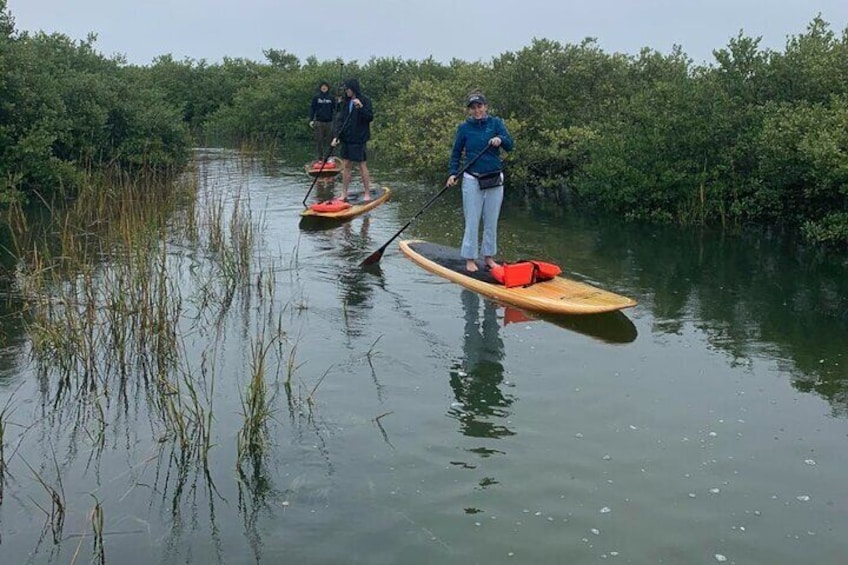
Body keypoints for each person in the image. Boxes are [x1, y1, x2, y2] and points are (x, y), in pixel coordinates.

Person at [447, 91, 514, 272]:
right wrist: (453, 173)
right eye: (473, 107)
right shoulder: (464, 128)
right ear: (469, 110)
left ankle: (489, 257)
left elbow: (510, 145)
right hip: (472, 179)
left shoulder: (496, 123)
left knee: (491, 221)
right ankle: (470, 258)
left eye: (479, 106)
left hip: (494, 178)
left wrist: (500, 139)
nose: (477, 110)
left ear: (486, 107)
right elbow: (455, 153)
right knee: (472, 220)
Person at [331, 78, 373, 201]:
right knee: (346, 165)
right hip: (346, 138)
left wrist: (360, 107)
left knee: (362, 165)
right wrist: (336, 136)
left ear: (353, 88)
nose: (346, 91)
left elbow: (369, 117)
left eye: (348, 89)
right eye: (345, 90)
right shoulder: (345, 102)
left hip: (359, 138)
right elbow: (340, 120)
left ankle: (367, 193)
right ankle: (344, 193)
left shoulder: (365, 100)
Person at [309, 81, 335, 162]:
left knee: (330, 141)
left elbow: (337, 108)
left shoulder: (331, 98)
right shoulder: (316, 97)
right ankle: (320, 158)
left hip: (329, 122)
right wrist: (311, 120)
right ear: (320, 88)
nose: (324, 88)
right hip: (319, 122)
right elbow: (312, 109)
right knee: (319, 141)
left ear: (328, 88)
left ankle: (330, 157)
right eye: (322, 86)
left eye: (325, 86)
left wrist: (340, 102)